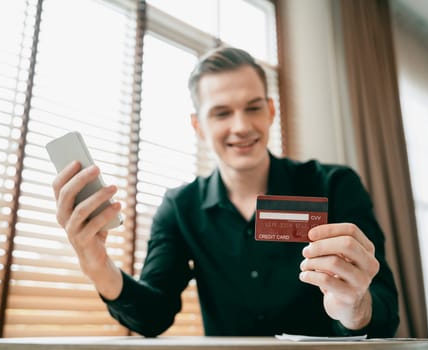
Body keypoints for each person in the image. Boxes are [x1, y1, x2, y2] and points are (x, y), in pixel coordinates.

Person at [52, 47, 399, 338]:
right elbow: (153, 315)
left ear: (271, 111)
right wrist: (96, 264)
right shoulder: (180, 207)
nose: (241, 126)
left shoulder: (335, 185)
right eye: (221, 113)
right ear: (198, 126)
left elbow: (384, 306)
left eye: (253, 107)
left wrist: (354, 306)